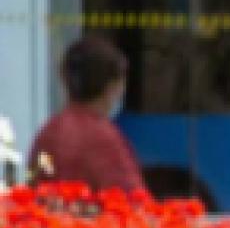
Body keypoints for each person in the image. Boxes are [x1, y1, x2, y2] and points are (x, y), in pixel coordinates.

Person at [28, 35, 146, 194]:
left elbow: (33, 188)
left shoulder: (47, 133)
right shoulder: (104, 139)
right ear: (112, 86)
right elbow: (132, 199)